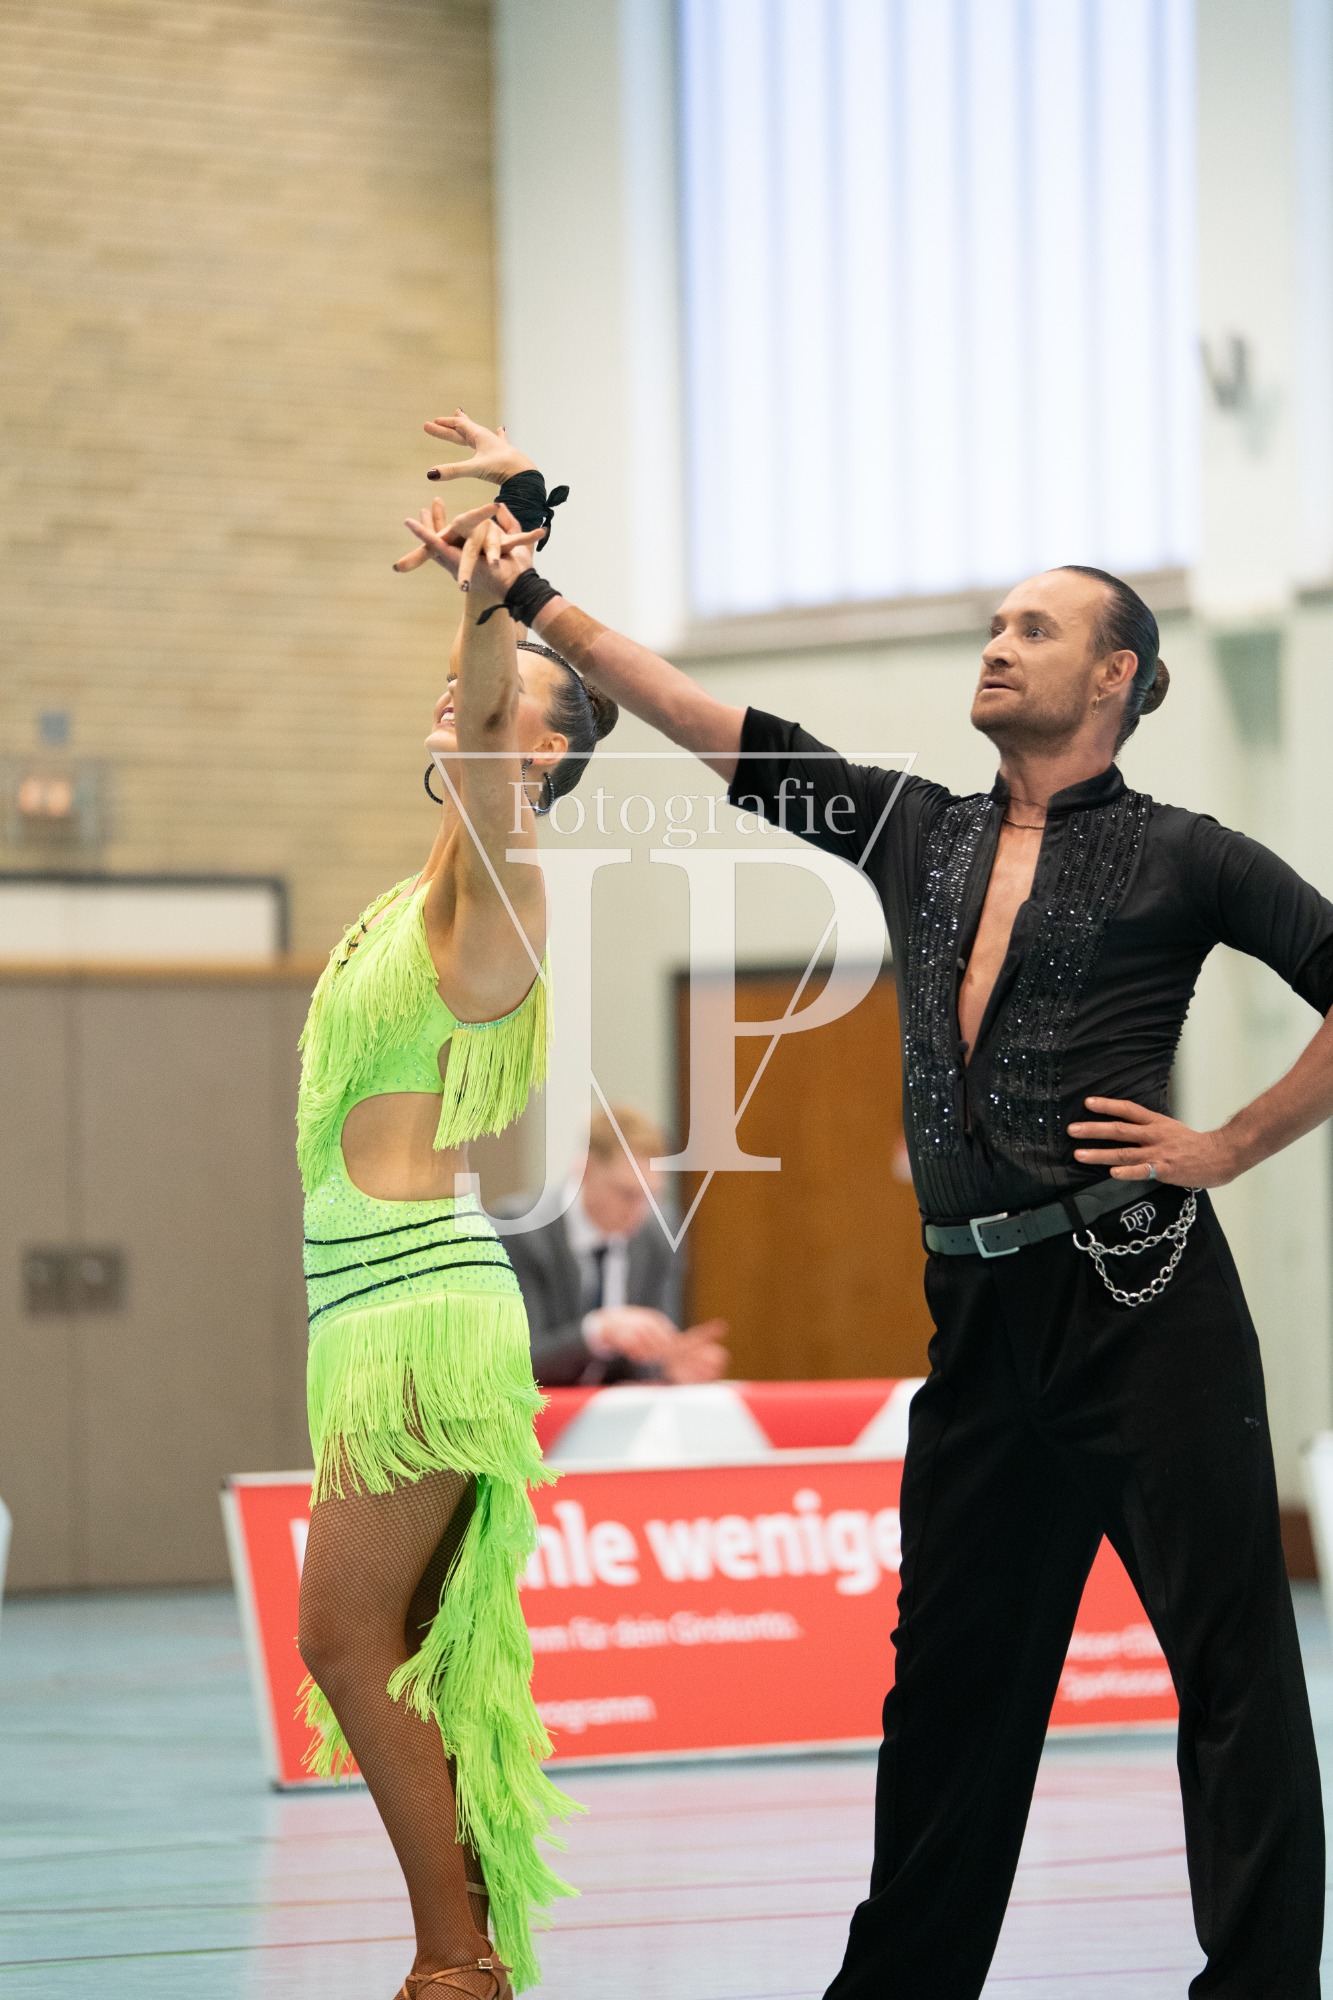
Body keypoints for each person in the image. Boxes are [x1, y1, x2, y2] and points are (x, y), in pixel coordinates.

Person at [406, 418, 1333, 1999]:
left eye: (1034, 628)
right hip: (975, 1321)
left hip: (1142, 1304)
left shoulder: (1187, 856)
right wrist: (532, 595)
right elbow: (706, 723)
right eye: (993, 623)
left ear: (1114, 675)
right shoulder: (921, 825)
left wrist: (1234, 1142)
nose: (997, 644)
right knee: (949, 1689)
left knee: (1232, 1670)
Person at [294, 471, 617, 2000]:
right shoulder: (422, 889)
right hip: (368, 1311)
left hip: (415, 1313)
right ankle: (464, 1959)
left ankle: (452, 1968)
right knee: (417, 1652)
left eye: (496, 697)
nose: (459, 697)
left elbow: (484, 744)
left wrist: (492, 605)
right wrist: (493, 593)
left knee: (343, 1639)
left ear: (541, 750)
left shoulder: (501, 875)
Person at [500, 1103, 729, 1386]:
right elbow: (514, 1361)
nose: (639, 1211)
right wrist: (599, 1331)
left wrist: (668, 1366)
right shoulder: (520, 1231)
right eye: (627, 1194)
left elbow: (642, 1365)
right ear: (585, 1171)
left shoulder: (659, 1233)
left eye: (652, 1196)